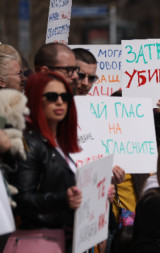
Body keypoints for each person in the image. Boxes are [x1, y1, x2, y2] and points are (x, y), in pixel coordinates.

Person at [11, 72, 82, 250]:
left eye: (65, 97)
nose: (60, 102)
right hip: (37, 240)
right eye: (51, 96)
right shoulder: (30, 143)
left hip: (60, 238)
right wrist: (63, 199)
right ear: (35, 99)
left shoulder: (57, 144)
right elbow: (22, 199)